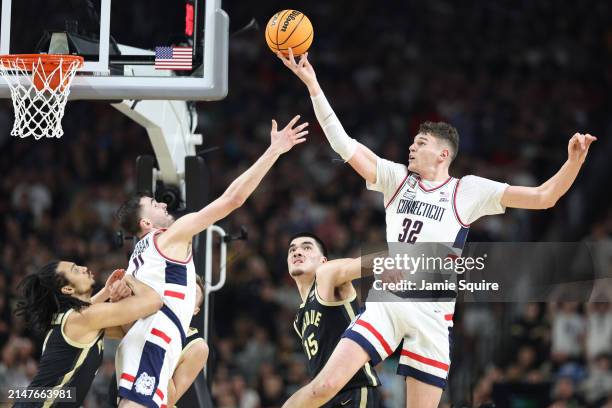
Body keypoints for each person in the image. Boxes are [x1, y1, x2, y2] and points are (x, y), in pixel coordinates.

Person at [278, 49, 597, 407]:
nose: (411, 147)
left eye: (421, 143)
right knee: (324, 387)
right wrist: (313, 84)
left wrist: (573, 163)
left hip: (433, 315)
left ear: (443, 154)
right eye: (413, 141)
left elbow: (544, 197)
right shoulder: (396, 178)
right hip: (390, 301)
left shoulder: (468, 190)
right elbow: (342, 143)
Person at [115, 115, 308, 408]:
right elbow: (232, 199)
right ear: (146, 222)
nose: (164, 203)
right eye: (155, 204)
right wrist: (274, 151)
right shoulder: (168, 236)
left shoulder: (137, 259)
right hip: (153, 338)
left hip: (142, 341)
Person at [12, 261, 161, 408]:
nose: (83, 268)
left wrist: (107, 292)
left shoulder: (72, 318)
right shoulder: (82, 319)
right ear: (68, 289)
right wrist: (129, 277)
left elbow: (125, 331)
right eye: (75, 270)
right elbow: (153, 301)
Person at [287, 232, 382, 407]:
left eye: (306, 247)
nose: (297, 252)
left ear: (323, 261)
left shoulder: (326, 276)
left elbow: (360, 265)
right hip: (325, 398)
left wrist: (413, 256)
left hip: (353, 391)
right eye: (292, 249)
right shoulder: (299, 319)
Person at [108, 276, 208, 407]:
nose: (186, 295)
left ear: (195, 310)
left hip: (149, 402)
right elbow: (124, 330)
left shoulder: (198, 347)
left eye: (193, 293)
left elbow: (170, 399)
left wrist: (160, 350)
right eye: (185, 290)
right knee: (72, 396)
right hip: (120, 388)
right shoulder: (150, 313)